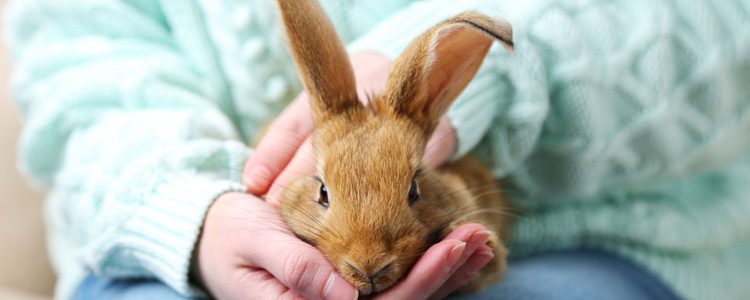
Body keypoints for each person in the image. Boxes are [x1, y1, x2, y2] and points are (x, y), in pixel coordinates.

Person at [4, 0, 749, 299]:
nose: (366, 254)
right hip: (186, 244)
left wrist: (524, 75)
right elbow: (86, 86)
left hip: (592, 235)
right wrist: (189, 216)